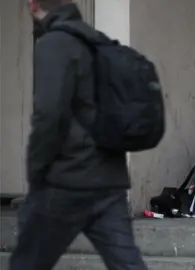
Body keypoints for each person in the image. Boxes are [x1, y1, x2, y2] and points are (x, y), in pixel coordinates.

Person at [9, 1, 148, 269]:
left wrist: (36, 173)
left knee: (27, 263)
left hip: (66, 181)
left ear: (33, 5)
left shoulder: (53, 44)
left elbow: (48, 116)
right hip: (109, 180)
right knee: (128, 265)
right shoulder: (99, 42)